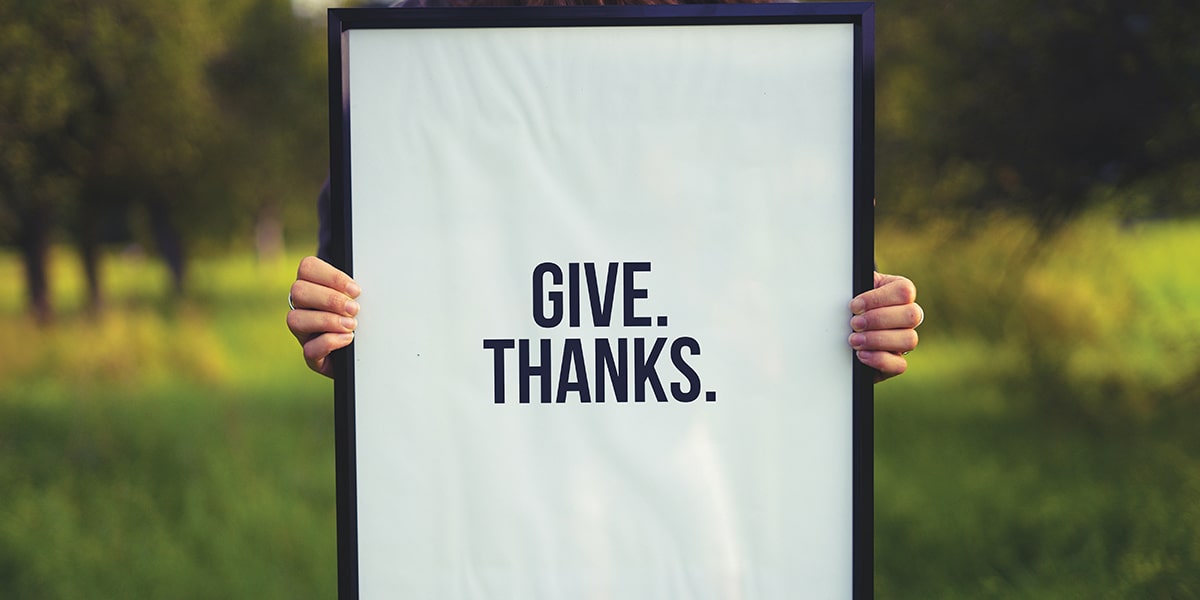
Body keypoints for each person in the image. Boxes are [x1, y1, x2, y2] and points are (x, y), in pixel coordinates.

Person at [286, 0, 923, 383]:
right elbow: (358, 305)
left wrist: (859, 331)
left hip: (691, 463)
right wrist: (333, 328)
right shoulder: (409, 52)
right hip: (486, 487)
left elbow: (790, 286)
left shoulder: (758, 44)